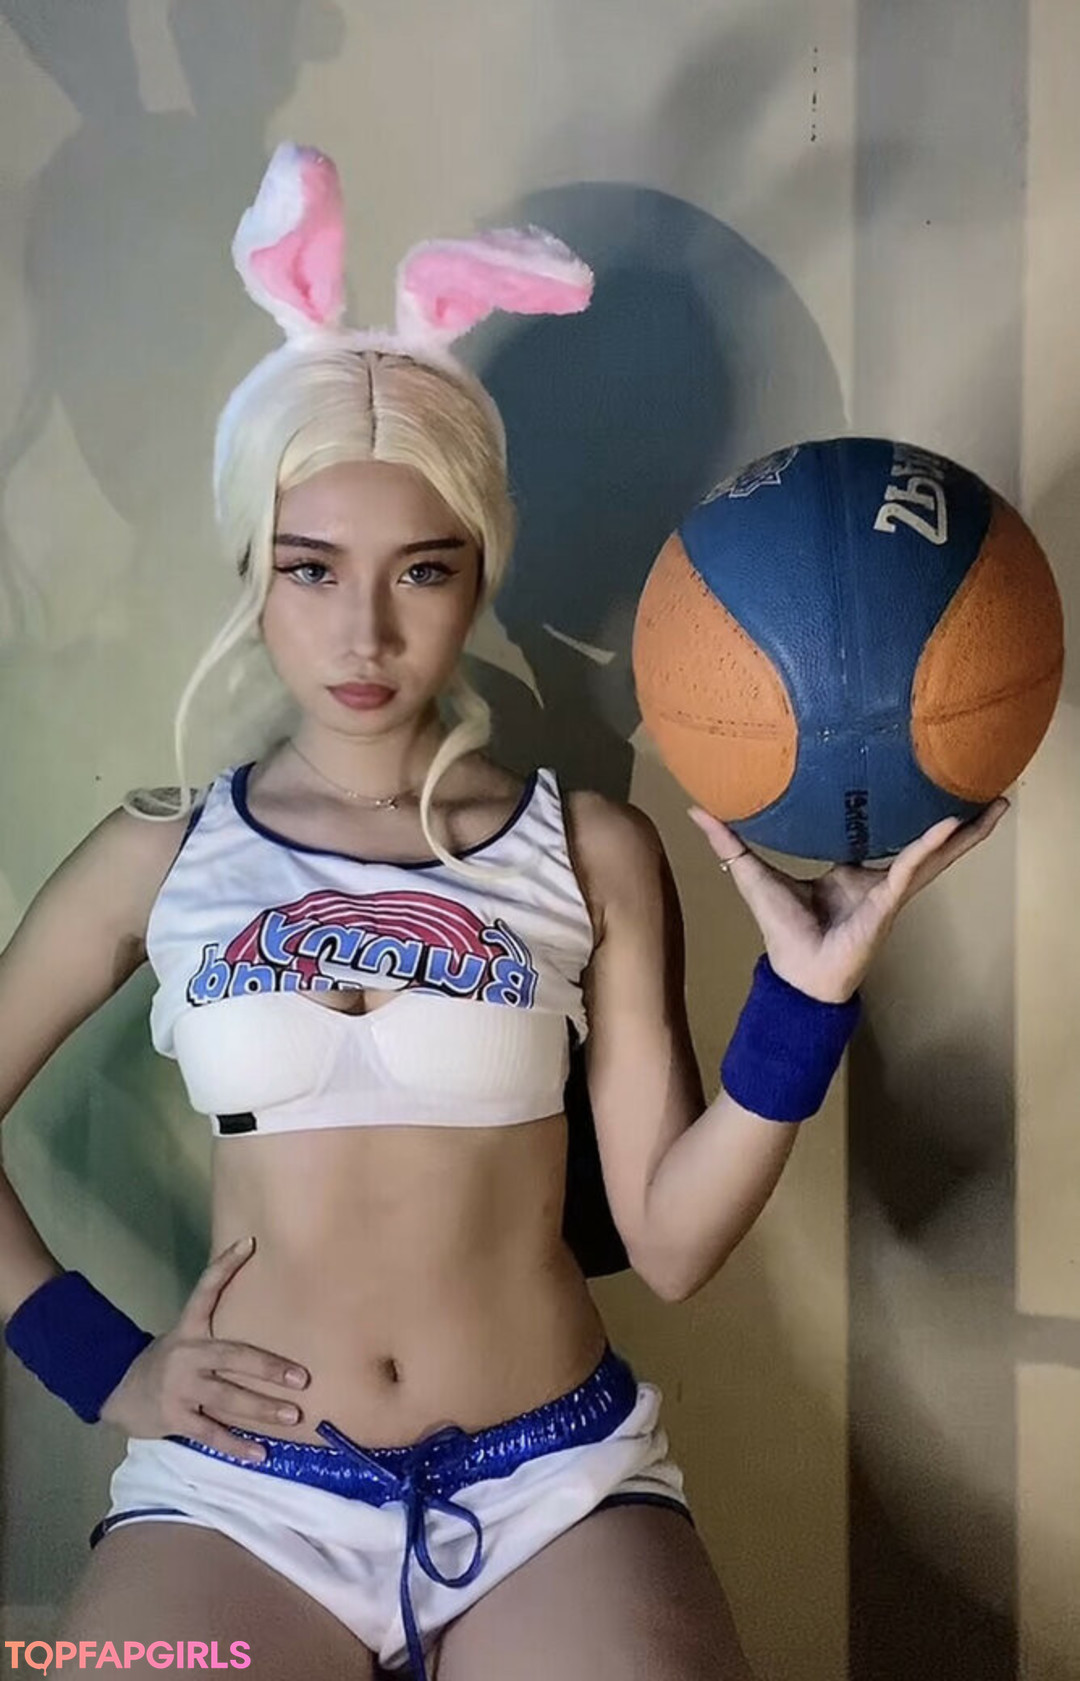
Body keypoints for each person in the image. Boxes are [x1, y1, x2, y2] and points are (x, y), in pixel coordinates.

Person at [1, 145, 1005, 1680]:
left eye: (421, 568)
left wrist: (808, 996)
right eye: (312, 568)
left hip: (558, 1485)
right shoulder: (160, 855)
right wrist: (99, 1360)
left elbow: (671, 1240)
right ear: (254, 569)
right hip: (236, 1495)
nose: (364, 628)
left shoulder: (586, 847)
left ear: (480, 569)